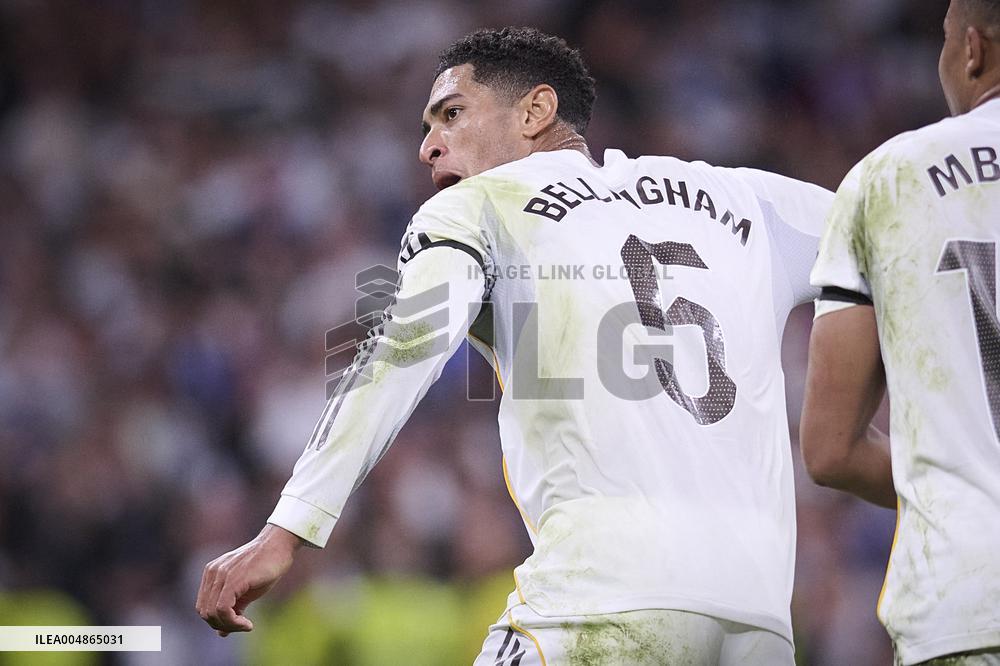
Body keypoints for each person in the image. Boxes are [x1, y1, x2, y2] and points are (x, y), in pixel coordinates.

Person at [196, 27, 833, 664]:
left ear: (535, 111)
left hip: (603, 602)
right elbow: (893, 239)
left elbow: (403, 347)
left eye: (451, 114)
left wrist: (288, 530)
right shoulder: (741, 196)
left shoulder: (480, 205)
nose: (427, 147)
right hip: (760, 617)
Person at [801, 0, 1000, 663]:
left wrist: (951, 479)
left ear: (971, 49)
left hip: (967, 599)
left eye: (945, 41)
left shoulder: (889, 178)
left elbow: (829, 449)